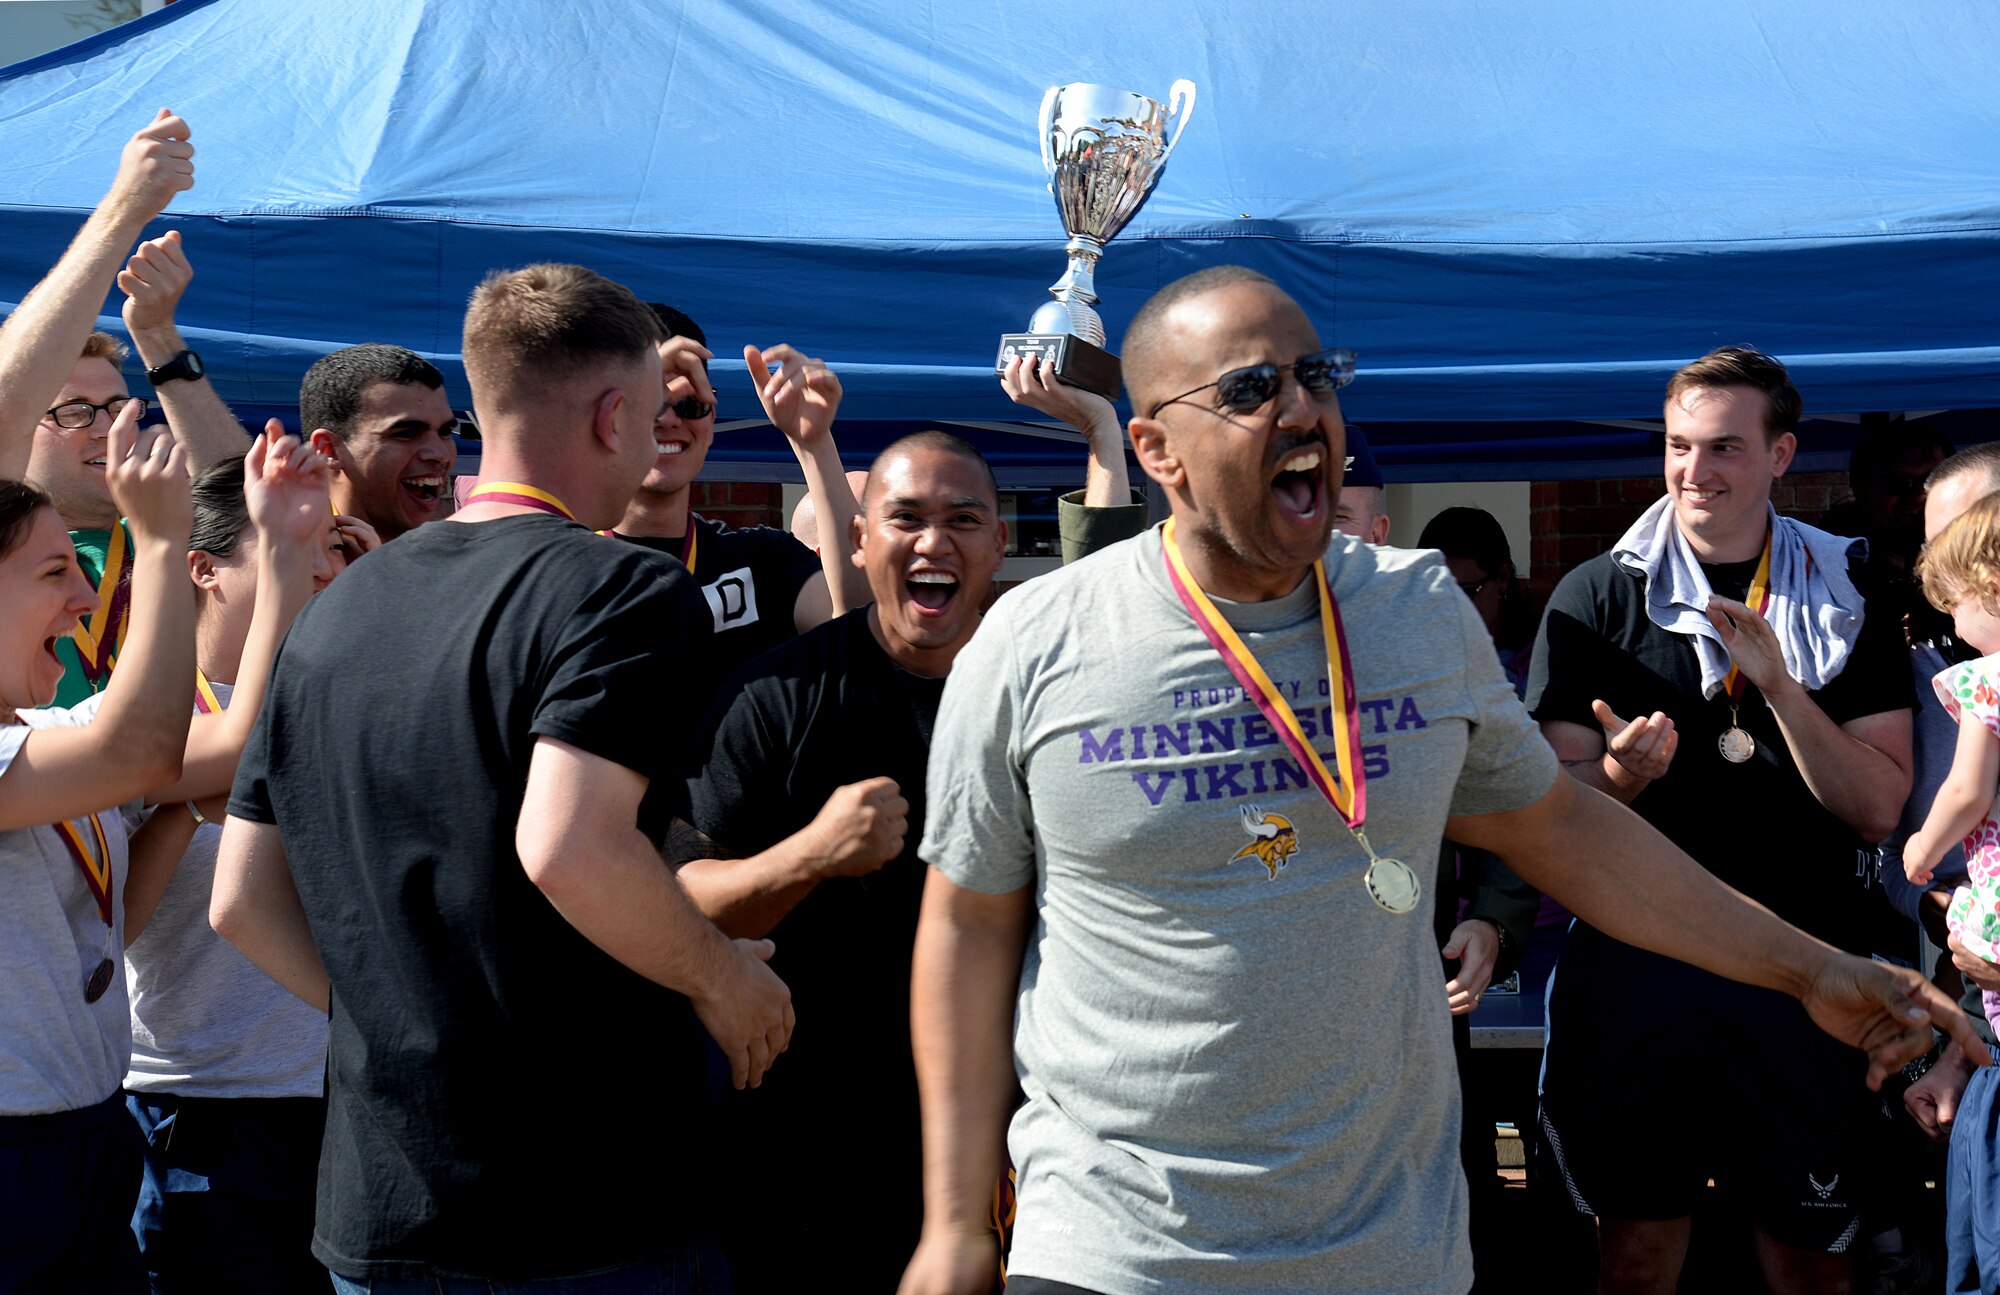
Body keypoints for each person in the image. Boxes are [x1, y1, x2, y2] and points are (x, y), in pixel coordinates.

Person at [897, 267, 1976, 1295]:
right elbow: (966, 924)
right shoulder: (1038, 640)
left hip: (1385, 1250)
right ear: (1154, 449)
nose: (1299, 407)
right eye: (1248, 387)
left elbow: (1566, 830)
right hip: (1114, 1246)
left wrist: (1808, 969)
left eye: (1314, 375)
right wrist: (951, 1221)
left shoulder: (1412, 610)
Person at [210, 263, 792, 1292]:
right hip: (582, 1213)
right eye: (655, 413)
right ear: (613, 414)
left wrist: (401, 1019)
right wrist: (719, 975)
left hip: (384, 1203)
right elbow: (567, 846)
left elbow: (242, 900)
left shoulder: (334, 601)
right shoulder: (624, 585)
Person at [1529, 346, 1916, 1294]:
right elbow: (1544, 810)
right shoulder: (1597, 594)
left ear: (1782, 454)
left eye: (1725, 448)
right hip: (1638, 964)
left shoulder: (1848, 594)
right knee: (1636, 1255)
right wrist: (1616, 779)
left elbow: (1876, 808)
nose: (1695, 472)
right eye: (1678, 446)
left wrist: (1781, 684)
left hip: (1804, 963)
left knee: (1810, 1260)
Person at [682, 430, 1007, 1293]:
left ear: (999, 543)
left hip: (1011, 1132)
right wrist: (810, 856)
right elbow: (689, 907)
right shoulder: (775, 695)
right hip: (810, 1143)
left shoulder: (1046, 691)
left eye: (963, 519)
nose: (934, 542)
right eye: (906, 518)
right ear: (858, 542)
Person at [123, 437, 345, 1293]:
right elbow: (109, 934)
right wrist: (183, 806)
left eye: (328, 541)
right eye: (291, 541)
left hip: (343, 1100)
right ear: (204, 569)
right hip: (197, 1112)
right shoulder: (128, 727)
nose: (321, 564)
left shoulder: (347, 707)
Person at [0, 406, 196, 1293]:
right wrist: (157, 546)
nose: (84, 600)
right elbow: (143, 751)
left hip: (88, 1128)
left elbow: (214, 751)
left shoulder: (42, 729)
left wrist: (276, 557)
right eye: (55, 573)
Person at [0, 113, 250, 707]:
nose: (107, 427)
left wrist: (158, 335)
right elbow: (9, 397)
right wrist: (124, 210)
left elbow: (246, 503)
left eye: (116, 405)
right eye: (73, 411)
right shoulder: (8, 552)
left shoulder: (167, 534)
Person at [608, 303, 868, 672]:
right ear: (609, 417)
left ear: (711, 417)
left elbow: (857, 624)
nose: (668, 420)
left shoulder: (761, 561)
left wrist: (813, 445)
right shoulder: (559, 564)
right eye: (648, 402)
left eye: (688, 404)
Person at [301, 344, 459, 542]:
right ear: (329, 450)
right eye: (407, 434)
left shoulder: (452, 563)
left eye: (445, 432)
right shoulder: (288, 563)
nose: (440, 454)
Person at [1419, 506, 1537, 694]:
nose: (1449, 609)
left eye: (1465, 592)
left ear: (1502, 577)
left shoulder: (1540, 664)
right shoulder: (1413, 654)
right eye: (1436, 595)